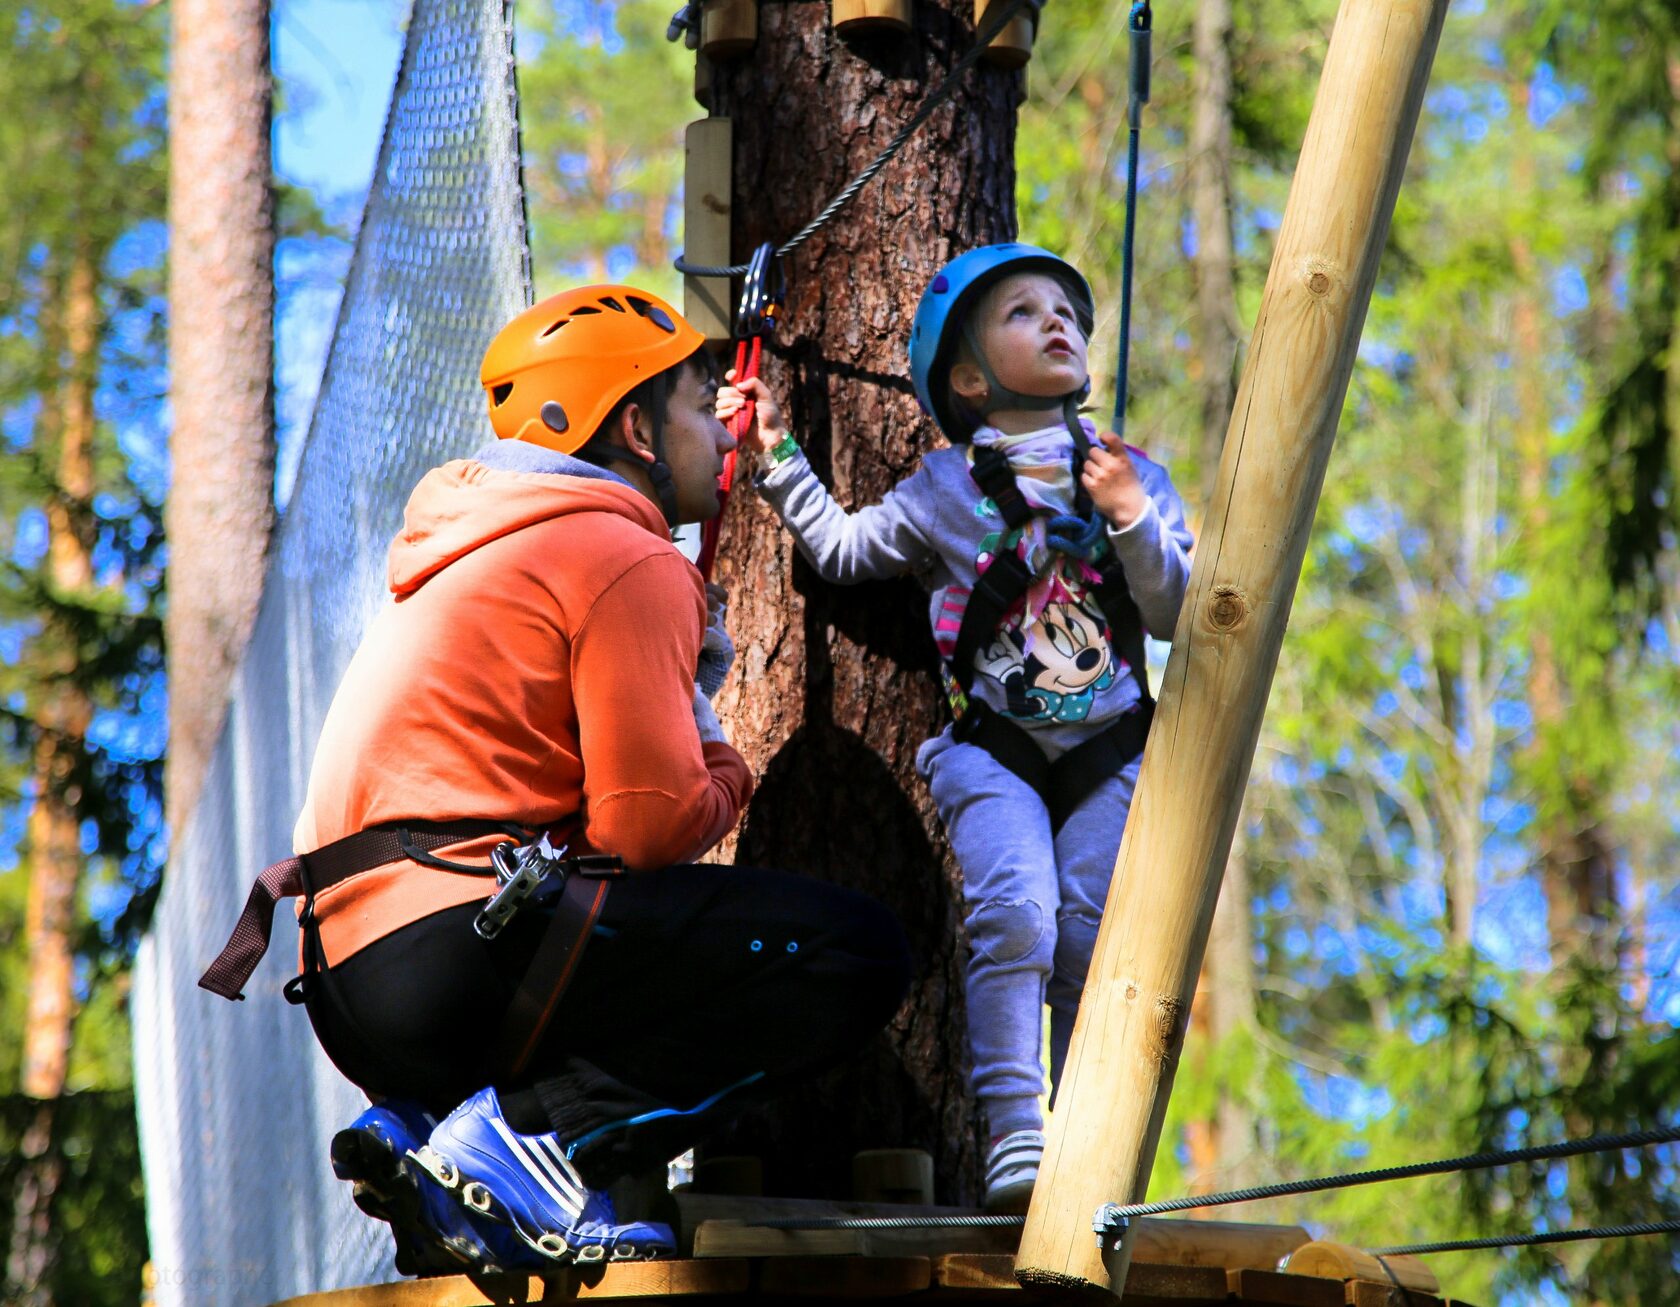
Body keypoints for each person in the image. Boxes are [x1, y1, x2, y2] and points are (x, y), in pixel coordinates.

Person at [200, 285, 912, 1273]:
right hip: (460, 950)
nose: (721, 430)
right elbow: (648, 827)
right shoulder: (622, 554)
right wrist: (727, 762)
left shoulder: (470, 551)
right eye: (702, 407)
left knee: (625, 1170)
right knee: (859, 952)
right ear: (635, 426)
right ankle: (530, 1133)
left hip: (351, 982)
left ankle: (458, 1154)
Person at [718, 243, 1193, 1212]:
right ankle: (1018, 1127)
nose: (1057, 320)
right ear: (970, 377)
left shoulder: (1130, 475)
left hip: (1110, 748)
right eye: (1024, 312)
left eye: (1067, 308)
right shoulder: (943, 491)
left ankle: (1089, 1139)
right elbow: (848, 550)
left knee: (1091, 939)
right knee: (1016, 911)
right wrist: (776, 461)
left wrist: (1133, 517)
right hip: (995, 750)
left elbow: (1181, 607)